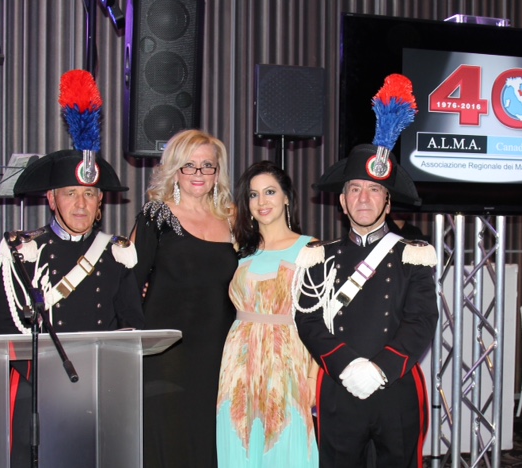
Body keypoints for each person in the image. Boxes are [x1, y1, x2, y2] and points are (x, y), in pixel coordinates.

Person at [0, 149, 145, 468]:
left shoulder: (116, 254)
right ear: (51, 199)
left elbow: (132, 327)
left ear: (100, 201)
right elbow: (3, 328)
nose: (81, 203)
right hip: (36, 388)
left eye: (89, 194)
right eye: (70, 193)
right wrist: (47, 380)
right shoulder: (23, 252)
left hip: (99, 387)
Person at [292, 144, 439, 467]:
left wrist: (380, 369)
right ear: (342, 202)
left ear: (388, 203)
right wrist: (347, 365)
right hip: (339, 386)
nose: (363, 198)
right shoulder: (319, 257)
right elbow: (308, 321)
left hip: (396, 385)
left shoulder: (412, 255)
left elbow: (422, 320)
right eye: (355, 189)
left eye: (374, 190)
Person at [131, 129, 237, 468]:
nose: (198, 173)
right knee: (168, 439)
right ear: (175, 169)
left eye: (207, 165)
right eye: (189, 165)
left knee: (209, 439)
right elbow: (130, 285)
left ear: (218, 172)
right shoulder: (155, 215)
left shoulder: (234, 219)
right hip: (166, 351)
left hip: (219, 352)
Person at [216, 160, 318, 467]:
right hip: (238, 363)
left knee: (288, 447)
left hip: (288, 360)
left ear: (286, 197)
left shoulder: (310, 248)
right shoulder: (237, 249)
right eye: (253, 194)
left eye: (270, 192)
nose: (262, 201)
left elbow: (321, 319)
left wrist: (313, 377)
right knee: (238, 448)